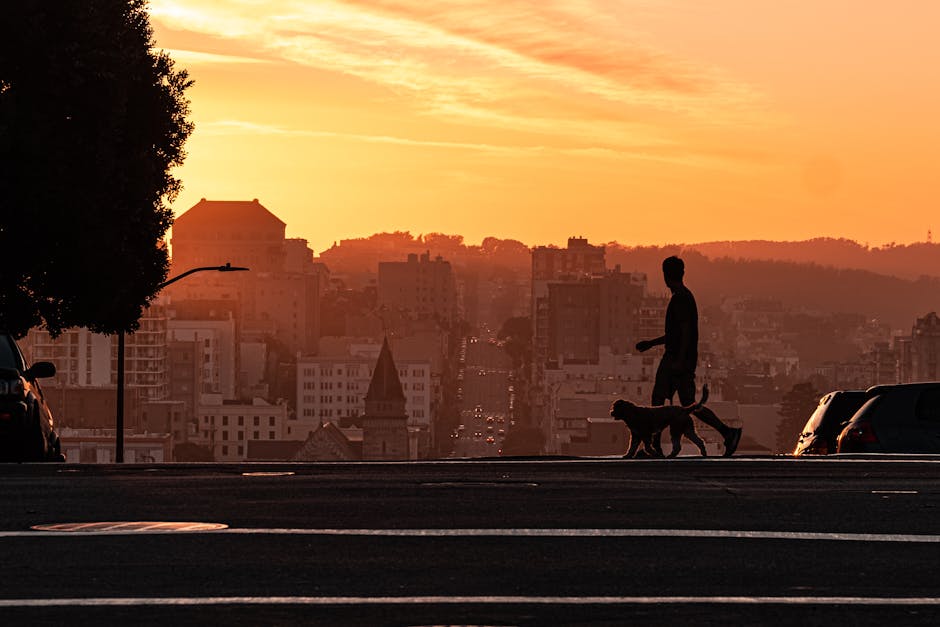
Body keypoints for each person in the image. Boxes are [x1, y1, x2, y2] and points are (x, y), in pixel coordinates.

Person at [635, 255, 742, 457]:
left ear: (666, 275)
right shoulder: (682, 297)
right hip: (679, 358)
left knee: (662, 400)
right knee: (685, 403)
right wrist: (652, 344)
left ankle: (654, 446)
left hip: (677, 359)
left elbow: (684, 333)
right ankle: (727, 433)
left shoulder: (681, 298)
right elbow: (677, 334)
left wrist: (679, 361)